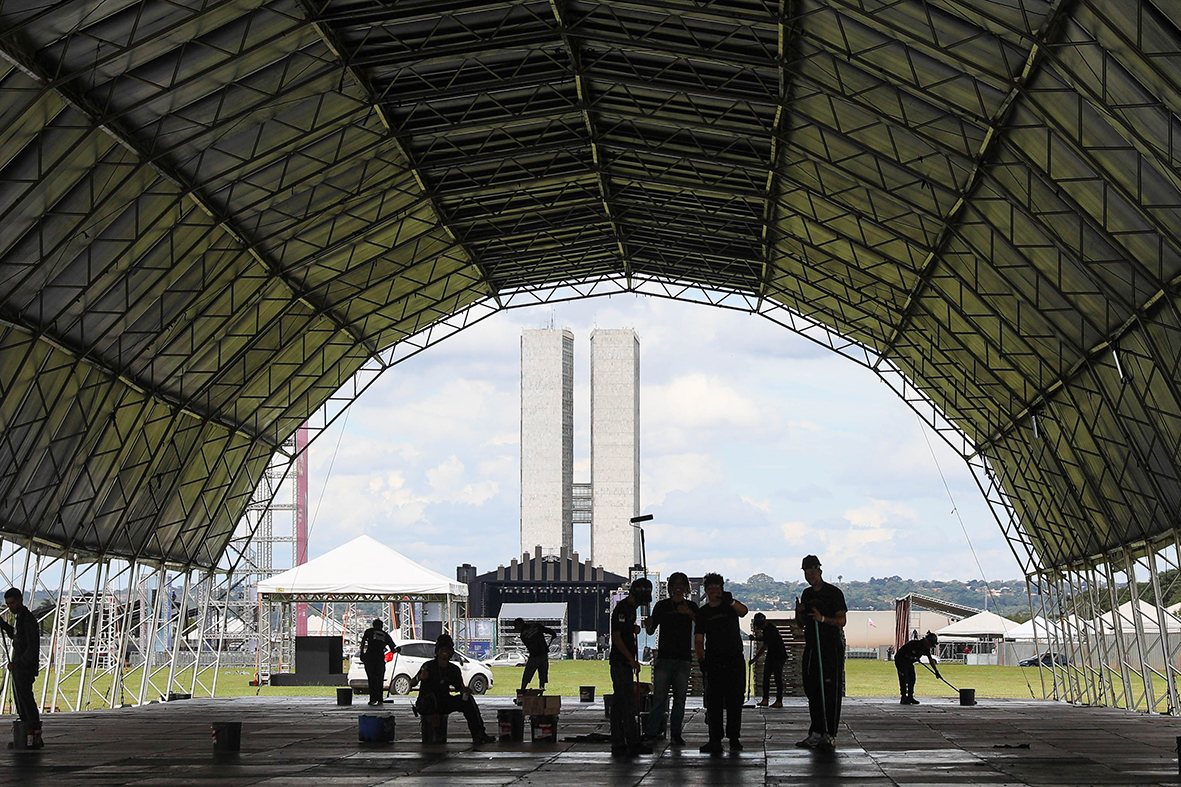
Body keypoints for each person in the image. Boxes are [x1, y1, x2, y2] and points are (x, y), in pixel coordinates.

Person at [794, 555, 846, 750]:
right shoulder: (806, 594)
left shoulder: (834, 593)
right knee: (812, 689)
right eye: (807, 572)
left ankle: (829, 733)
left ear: (820, 571)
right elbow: (801, 624)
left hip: (830, 647)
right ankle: (815, 731)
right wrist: (799, 612)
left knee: (830, 691)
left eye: (813, 571)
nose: (810, 575)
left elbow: (841, 621)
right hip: (812, 646)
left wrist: (822, 618)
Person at [694, 572, 749, 755]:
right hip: (714, 661)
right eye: (710, 588)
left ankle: (734, 738)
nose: (713, 591)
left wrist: (730, 601)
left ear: (722, 589)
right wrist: (701, 659)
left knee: (735, 701)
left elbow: (744, 611)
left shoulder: (729, 607)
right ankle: (714, 739)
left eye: (717, 588)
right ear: (706, 591)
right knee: (714, 703)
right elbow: (699, 639)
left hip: (734, 659)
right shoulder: (703, 612)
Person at [409, 634, 496, 745]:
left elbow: (460, 687)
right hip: (426, 702)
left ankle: (479, 734)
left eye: (447, 649)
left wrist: (465, 691)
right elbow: (412, 683)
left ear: (451, 652)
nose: (445, 651)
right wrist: (419, 677)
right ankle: (436, 735)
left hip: (444, 701)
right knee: (431, 701)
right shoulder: (428, 666)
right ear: (437, 651)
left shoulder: (453, 669)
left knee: (468, 701)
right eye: (442, 649)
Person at [643, 572, 697, 744]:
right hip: (665, 658)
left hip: (683, 659)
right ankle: (652, 732)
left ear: (686, 587)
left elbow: (702, 624)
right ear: (670, 587)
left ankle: (676, 734)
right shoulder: (661, 606)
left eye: (681, 584)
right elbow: (651, 631)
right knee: (659, 698)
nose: (678, 587)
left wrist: (688, 613)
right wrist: (648, 624)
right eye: (675, 584)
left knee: (680, 700)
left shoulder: (692, 607)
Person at [609, 577, 654, 756]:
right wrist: (631, 659)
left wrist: (633, 628)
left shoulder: (630, 610)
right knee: (625, 704)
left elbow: (625, 630)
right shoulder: (623, 609)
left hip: (625, 662)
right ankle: (628, 742)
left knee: (622, 703)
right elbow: (617, 637)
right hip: (621, 662)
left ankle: (622, 741)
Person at [1, 588, 41, 749]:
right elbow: (17, 636)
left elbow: (32, 647)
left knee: (26, 700)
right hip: (19, 667)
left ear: (20, 600)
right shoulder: (19, 619)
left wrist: (20, 663)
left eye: (12, 603)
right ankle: (28, 733)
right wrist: (4, 626)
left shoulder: (28, 620)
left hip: (24, 667)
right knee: (21, 701)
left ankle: (34, 734)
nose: (10, 606)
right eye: (8, 604)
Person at [751, 612, 786, 708]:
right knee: (766, 677)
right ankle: (765, 699)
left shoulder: (770, 629)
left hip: (779, 656)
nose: (759, 628)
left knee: (777, 678)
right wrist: (755, 638)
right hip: (772, 655)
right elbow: (764, 639)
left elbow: (764, 647)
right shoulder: (767, 628)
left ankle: (779, 701)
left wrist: (754, 659)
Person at [895, 632, 941, 704]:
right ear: (927, 641)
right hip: (901, 661)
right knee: (904, 678)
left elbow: (930, 659)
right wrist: (914, 657)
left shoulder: (926, 648)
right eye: (931, 644)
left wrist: (936, 671)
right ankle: (903, 697)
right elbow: (904, 654)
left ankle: (910, 696)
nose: (930, 646)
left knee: (912, 678)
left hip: (909, 663)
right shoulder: (913, 644)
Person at [359, 619, 396, 706]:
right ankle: (379, 698)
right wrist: (397, 650)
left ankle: (372, 699)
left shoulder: (369, 632)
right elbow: (393, 649)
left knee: (371, 679)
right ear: (382, 626)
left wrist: (362, 653)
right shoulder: (385, 635)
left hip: (369, 658)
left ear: (373, 625)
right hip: (379, 659)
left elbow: (363, 642)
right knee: (380, 678)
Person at [514, 617, 557, 693]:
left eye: (516, 627)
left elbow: (530, 646)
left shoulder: (523, 635)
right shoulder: (535, 626)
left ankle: (522, 690)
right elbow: (547, 630)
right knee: (543, 674)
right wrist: (553, 633)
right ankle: (541, 690)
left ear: (519, 625)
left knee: (528, 673)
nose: (517, 629)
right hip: (543, 654)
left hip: (534, 656)